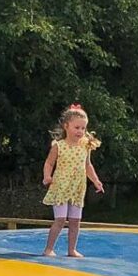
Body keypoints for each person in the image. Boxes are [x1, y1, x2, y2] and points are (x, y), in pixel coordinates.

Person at [41, 104, 104, 258]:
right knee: (61, 219)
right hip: (61, 186)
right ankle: (48, 249)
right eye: (77, 127)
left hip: (77, 187)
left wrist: (96, 181)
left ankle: (72, 250)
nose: (80, 131)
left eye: (83, 128)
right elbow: (49, 163)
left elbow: (88, 165)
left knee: (75, 220)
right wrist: (47, 176)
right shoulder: (59, 146)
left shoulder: (85, 147)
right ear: (66, 126)